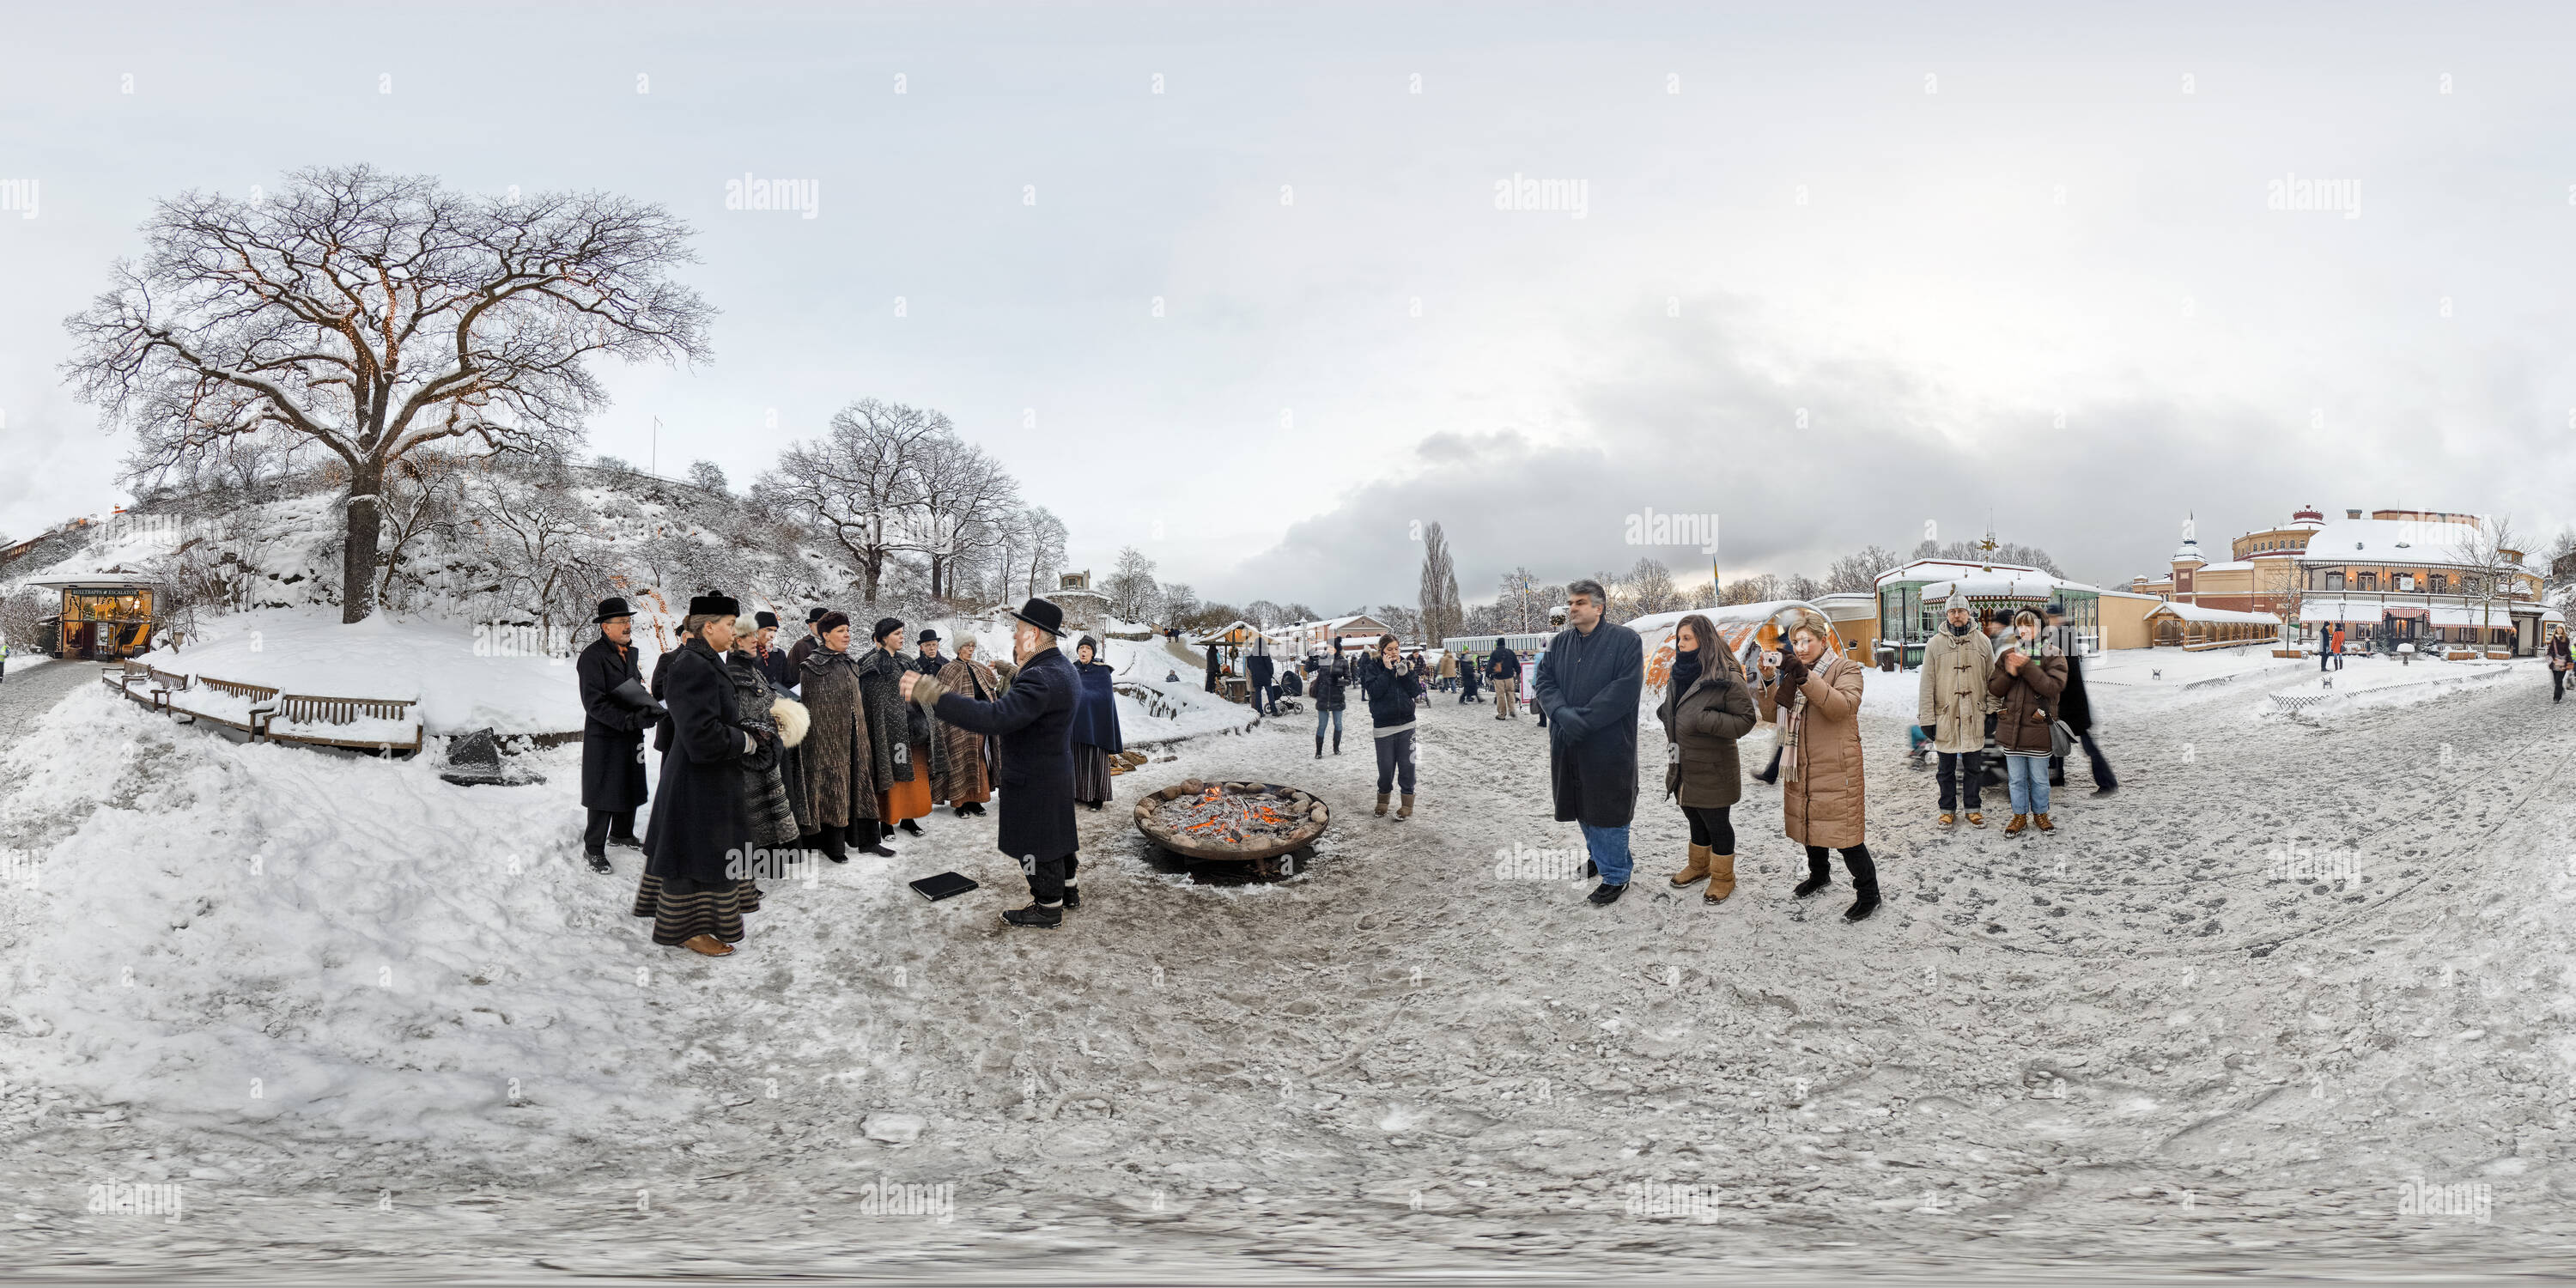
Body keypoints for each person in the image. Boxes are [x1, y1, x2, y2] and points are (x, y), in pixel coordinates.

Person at [902, 598, 1082, 927]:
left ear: (1035, 633)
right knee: (1056, 834)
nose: (1014, 637)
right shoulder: (1063, 668)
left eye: (1019, 630)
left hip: (1032, 775)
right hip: (1054, 770)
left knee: (1034, 843)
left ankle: (1047, 906)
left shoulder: (1041, 675)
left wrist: (933, 694)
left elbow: (996, 717)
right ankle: (1067, 890)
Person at [633, 594, 763, 958]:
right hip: (696, 780)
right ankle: (687, 930)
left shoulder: (708, 660)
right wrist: (746, 741)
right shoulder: (694, 664)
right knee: (693, 858)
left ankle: (697, 924)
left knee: (700, 855)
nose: (735, 632)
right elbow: (702, 735)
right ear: (708, 627)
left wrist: (748, 729)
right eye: (729, 625)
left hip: (707, 777)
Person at [1755, 608, 1879, 921]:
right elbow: (1771, 715)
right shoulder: (1793, 672)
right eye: (1796, 642)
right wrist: (1769, 680)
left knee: (1847, 837)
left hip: (1836, 765)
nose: (1800, 647)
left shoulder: (1846, 669)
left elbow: (1842, 708)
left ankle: (1869, 894)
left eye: (1807, 640)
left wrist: (1804, 677)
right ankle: (1819, 875)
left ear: (1823, 641)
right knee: (1810, 825)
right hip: (1802, 762)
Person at [1533, 580, 1644, 905]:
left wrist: (1583, 720)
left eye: (1580, 602)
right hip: (1567, 741)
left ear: (1599, 607)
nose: (1572, 608)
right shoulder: (1559, 643)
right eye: (1570, 603)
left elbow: (1624, 690)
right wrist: (1561, 714)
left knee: (1608, 807)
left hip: (1608, 743)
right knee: (1580, 802)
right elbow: (1544, 681)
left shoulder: (1625, 641)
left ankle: (1617, 875)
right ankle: (1598, 855)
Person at [1658, 613, 1757, 903]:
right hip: (1682, 760)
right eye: (1679, 638)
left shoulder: (1725, 675)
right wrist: (1667, 713)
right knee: (1692, 814)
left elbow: (1746, 719)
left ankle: (1723, 877)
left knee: (1716, 821)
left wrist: (1706, 720)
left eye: (1686, 638)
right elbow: (1680, 706)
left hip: (1713, 765)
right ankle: (1699, 866)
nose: (1680, 643)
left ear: (1704, 639)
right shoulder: (1679, 672)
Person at [794, 612, 892, 861]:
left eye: (848, 629)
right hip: (826, 744)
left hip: (855, 739)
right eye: (840, 630)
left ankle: (868, 840)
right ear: (825, 635)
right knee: (832, 790)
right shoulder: (811, 667)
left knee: (861, 786)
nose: (847, 634)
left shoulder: (850, 663)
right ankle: (833, 846)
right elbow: (811, 710)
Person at [576, 597, 653, 872]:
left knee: (629, 782)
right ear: (605, 628)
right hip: (606, 734)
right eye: (621, 622)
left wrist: (649, 707)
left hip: (630, 733)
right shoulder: (592, 656)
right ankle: (593, 847)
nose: (627, 626)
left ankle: (621, 833)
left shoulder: (630, 653)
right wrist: (628, 719)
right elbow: (593, 702)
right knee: (604, 788)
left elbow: (635, 687)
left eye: (628, 621)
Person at [1917, 591, 1995, 829]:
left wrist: (1991, 711)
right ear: (1947, 614)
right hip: (1946, 715)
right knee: (1945, 770)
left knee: (1973, 768)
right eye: (1952, 611)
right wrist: (1927, 718)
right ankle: (1947, 809)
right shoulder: (1934, 645)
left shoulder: (1983, 642)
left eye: (1960, 610)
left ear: (1968, 612)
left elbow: (1992, 680)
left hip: (1974, 714)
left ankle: (1973, 808)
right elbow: (1927, 683)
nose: (1956, 615)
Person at [1987, 609, 2068, 835]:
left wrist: (2027, 667)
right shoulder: (2006, 655)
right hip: (2011, 728)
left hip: (2038, 728)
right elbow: (1994, 688)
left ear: (2041, 628)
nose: (2024, 630)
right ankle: (2019, 816)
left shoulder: (2054, 654)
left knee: (2040, 779)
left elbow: (2053, 688)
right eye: (2020, 625)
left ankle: (2041, 814)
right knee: (2015, 779)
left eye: (2030, 625)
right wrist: (2011, 672)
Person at [863, 618, 939, 839]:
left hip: (914, 731)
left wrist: (924, 719)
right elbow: (873, 704)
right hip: (890, 734)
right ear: (884, 638)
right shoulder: (872, 664)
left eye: (902, 633)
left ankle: (908, 818)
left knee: (913, 776)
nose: (902, 637)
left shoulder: (907, 661)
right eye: (897, 633)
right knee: (891, 776)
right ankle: (886, 822)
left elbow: (923, 693)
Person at [2044, 602, 2117, 796]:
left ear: (2056, 617)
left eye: (2050, 618)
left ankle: (2107, 782)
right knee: (2056, 740)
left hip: (2070, 703)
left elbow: (2062, 671)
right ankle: (2057, 777)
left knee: (2086, 745)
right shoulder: (2064, 634)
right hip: (2069, 702)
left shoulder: (2062, 636)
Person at [1358, 634, 1425, 818]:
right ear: (1382, 651)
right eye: (1390, 649)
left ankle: (1407, 804)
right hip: (1383, 727)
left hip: (1407, 724)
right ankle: (1383, 801)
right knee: (1386, 768)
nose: (1394, 653)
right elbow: (1374, 692)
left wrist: (1405, 675)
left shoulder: (1406, 665)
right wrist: (1387, 671)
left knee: (1407, 767)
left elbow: (1415, 691)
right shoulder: (1373, 668)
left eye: (1396, 649)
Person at [935, 638, 999, 815]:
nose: (970, 649)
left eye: (973, 646)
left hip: (980, 721)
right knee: (959, 759)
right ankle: (960, 803)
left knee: (978, 758)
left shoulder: (979, 668)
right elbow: (942, 699)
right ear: (958, 649)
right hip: (958, 724)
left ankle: (976, 800)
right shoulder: (947, 670)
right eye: (967, 646)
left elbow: (992, 688)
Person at [1069, 635, 1122, 810]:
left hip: (1096, 726)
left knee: (1095, 761)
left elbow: (1105, 698)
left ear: (1093, 653)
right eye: (1081, 648)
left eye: (1087, 649)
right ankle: (1078, 793)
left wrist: (1084, 698)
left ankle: (1097, 798)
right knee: (1075, 760)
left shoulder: (1102, 672)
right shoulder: (1071, 670)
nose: (1083, 651)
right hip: (1075, 725)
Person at [1310, 641, 1350, 757]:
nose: (1328, 649)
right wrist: (1310, 658)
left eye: (1331, 647)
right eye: (1327, 647)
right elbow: (1308, 668)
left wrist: (1338, 681)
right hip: (1323, 697)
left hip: (1337, 697)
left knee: (1338, 724)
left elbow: (1349, 680)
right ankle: (1318, 751)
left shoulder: (1343, 661)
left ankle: (1336, 748)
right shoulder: (1323, 659)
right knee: (1322, 725)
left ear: (1336, 649)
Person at [746, 611, 797, 691]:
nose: (772, 635)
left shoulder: (780, 654)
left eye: (775, 631)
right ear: (756, 630)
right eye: (768, 630)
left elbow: (787, 684)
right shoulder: (744, 652)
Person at [788, 606, 830, 677]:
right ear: (810, 626)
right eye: (819, 624)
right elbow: (791, 674)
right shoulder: (800, 646)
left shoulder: (836, 645)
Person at [1488, 638, 1522, 720]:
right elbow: (1516, 664)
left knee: (1501, 695)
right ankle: (1512, 710)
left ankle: (1502, 714)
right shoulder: (1510, 652)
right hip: (1509, 677)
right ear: (1504, 644)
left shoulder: (1494, 653)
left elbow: (1490, 665)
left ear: (1497, 644)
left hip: (1499, 678)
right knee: (1510, 693)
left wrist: (1487, 674)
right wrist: (1518, 672)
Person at [1246, 633, 1278, 716]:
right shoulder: (1264, 652)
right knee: (1270, 693)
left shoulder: (1251, 654)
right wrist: (1271, 673)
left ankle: (1260, 712)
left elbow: (1249, 666)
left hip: (1256, 677)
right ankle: (1274, 710)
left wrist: (1254, 671)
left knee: (1258, 694)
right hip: (1265, 676)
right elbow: (1269, 664)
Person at [2548, 625, 2572, 703]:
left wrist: (2569, 661)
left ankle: (2556, 698)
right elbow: (2550, 649)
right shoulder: (2554, 639)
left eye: (2560, 628)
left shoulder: (2566, 639)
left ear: (2563, 630)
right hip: (2555, 663)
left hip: (2563, 663)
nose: (2559, 630)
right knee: (2556, 680)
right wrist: (2550, 656)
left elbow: (2568, 651)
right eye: (2558, 628)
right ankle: (2560, 689)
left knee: (2558, 680)